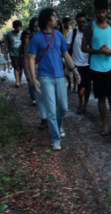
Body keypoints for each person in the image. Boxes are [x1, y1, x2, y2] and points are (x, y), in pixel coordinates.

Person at [28, 8, 80, 151]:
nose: (56, 19)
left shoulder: (58, 35)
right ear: (47, 20)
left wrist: (74, 70)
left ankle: (58, 124)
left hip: (59, 76)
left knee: (63, 106)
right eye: (54, 17)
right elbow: (31, 59)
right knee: (51, 109)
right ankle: (55, 139)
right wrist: (33, 78)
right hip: (45, 77)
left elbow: (66, 54)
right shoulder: (36, 37)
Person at [81, 0, 111, 136]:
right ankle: (105, 125)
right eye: (99, 12)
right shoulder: (89, 27)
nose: (102, 15)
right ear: (95, 11)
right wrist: (98, 51)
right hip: (96, 68)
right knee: (102, 97)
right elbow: (84, 47)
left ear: (107, 11)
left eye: (104, 12)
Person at [23, 17, 48, 129]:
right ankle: (44, 117)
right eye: (35, 26)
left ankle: (52, 117)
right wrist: (28, 72)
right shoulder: (31, 38)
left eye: (39, 25)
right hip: (37, 67)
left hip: (49, 68)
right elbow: (27, 57)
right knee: (40, 94)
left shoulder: (50, 36)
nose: (38, 28)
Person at [66, 12, 91, 114]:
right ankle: (80, 101)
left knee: (88, 86)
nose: (82, 23)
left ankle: (86, 104)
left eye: (83, 21)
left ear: (86, 21)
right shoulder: (73, 32)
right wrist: (67, 64)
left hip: (89, 63)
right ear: (77, 22)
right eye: (79, 22)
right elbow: (66, 48)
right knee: (81, 85)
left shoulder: (90, 32)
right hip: (77, 63)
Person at [19, 30, 36, 105]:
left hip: (34, 63)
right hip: (26, 64)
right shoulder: (21, 46)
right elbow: (21, 56)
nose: (26, 38)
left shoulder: (33, 42)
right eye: (25, 37)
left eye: (27, 37)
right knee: (30, 81)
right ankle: (33, 98)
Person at [5, 20, 23, 87]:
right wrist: (5, 53)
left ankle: (20, 80)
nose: (18, 29)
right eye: (17, 27)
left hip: (21, 54)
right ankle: (17, 82)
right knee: (16, 67)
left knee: (21, 68)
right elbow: (6, 44)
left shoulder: (22, 33)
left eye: (19, 27)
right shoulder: (9, 34)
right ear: (14, 27)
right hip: (13, 53)